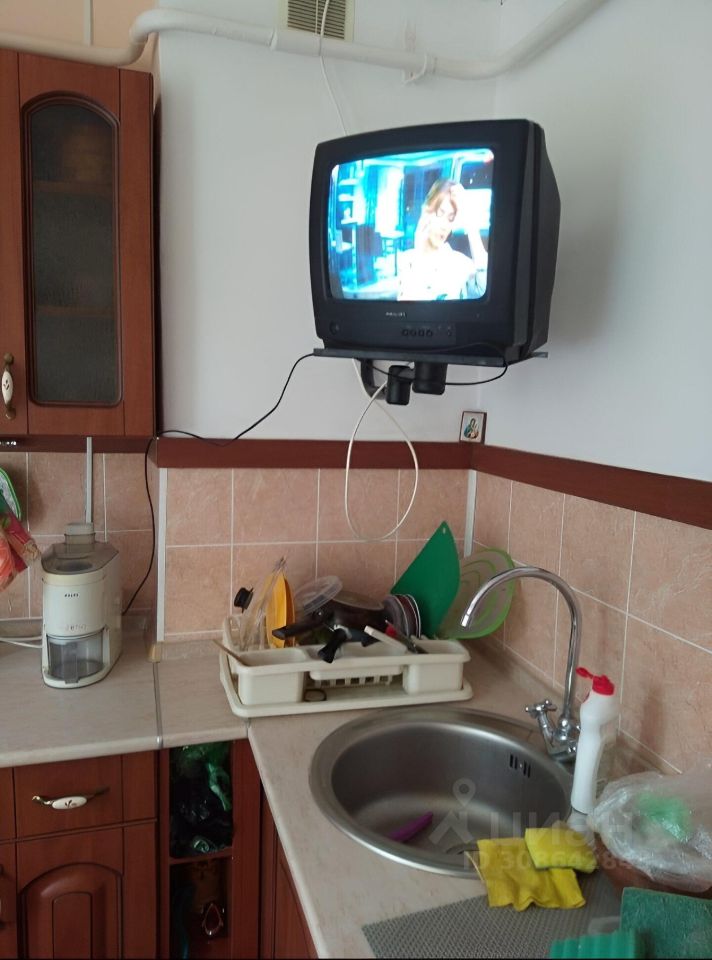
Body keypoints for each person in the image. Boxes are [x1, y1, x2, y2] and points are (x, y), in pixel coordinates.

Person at [397, 178, 488, 301]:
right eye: (440, 213)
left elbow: (483, 290)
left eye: (450, 218)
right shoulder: (406, 261)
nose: (444, 226)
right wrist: (419, 255)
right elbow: (408, 307)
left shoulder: (460, 264)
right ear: (426, 210)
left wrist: (470, 223)